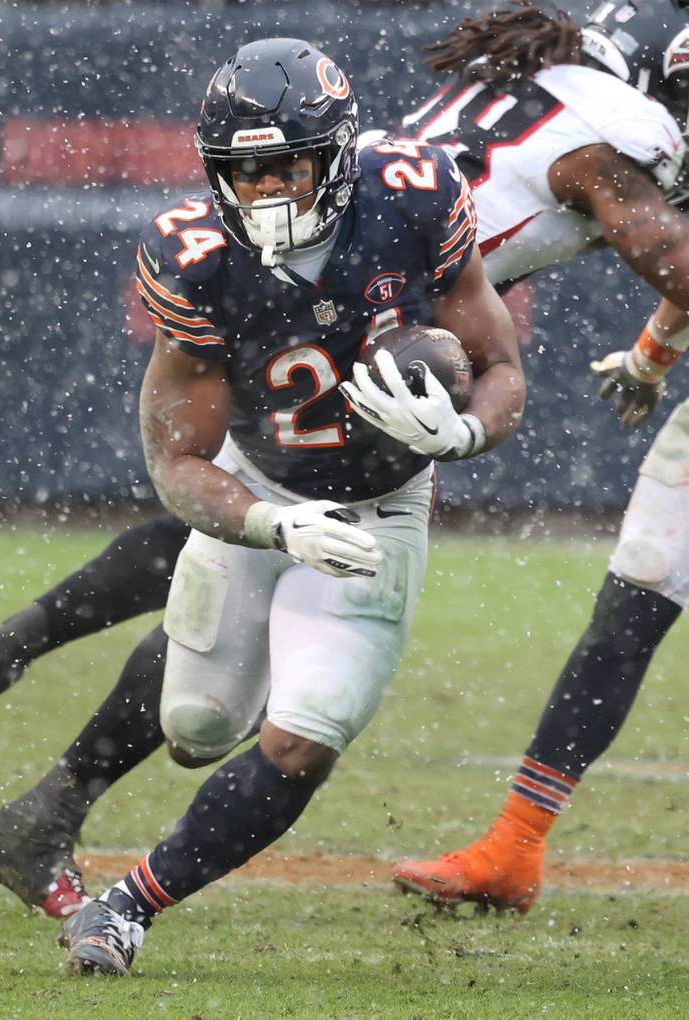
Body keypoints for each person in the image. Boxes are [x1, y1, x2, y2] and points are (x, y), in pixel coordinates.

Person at [0, 0, 689, 918]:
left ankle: (11, 678)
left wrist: (651, 351)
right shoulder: (620, 135)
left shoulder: (514, 84)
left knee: (242, 525)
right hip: (382, 291)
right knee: (254, 521)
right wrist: (646, 352)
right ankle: (28, 733)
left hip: (356, 280)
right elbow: (673, 259)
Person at [55, 36, 522, 974]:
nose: (264, 191)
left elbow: (502, 368)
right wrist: (271, 524)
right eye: (245, 171)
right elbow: (177, 461)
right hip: (262, 487)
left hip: (380, 508)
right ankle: (274, 640)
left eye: (285, 167)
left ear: (338, 155)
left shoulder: (414, 197)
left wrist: (463, 434)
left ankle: (127, 906)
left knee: (301, 742)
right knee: (193, 731)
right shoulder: (195, 255)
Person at [390, 0, 689, 911]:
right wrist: (651, 355)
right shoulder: (618, 135)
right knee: (634, 597)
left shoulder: (595, 120)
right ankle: (515, 849)